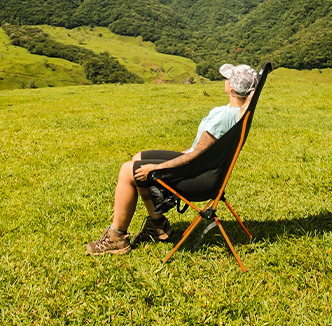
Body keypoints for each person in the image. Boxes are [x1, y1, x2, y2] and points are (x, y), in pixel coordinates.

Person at [85, 63, 258, 256]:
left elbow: (195, 156)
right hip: (205, 168)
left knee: (128, 171)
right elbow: (200, 152)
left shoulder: (224, 117)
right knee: (138, 158)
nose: (224, 80)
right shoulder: (239, 111)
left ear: (232, 87)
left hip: (199, 177)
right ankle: (157, 226)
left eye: (227, 78)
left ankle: (116, 238)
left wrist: (156, 167)